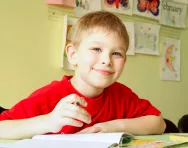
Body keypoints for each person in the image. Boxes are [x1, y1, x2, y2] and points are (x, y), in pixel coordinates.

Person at [0, 11, 166, 140]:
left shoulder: (122, 95)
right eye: (96, 49)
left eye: (116, 53)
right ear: (73, 54)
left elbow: (158, 123)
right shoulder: (51, 97)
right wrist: (49, 121)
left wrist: (111, 127)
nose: (106, 60)